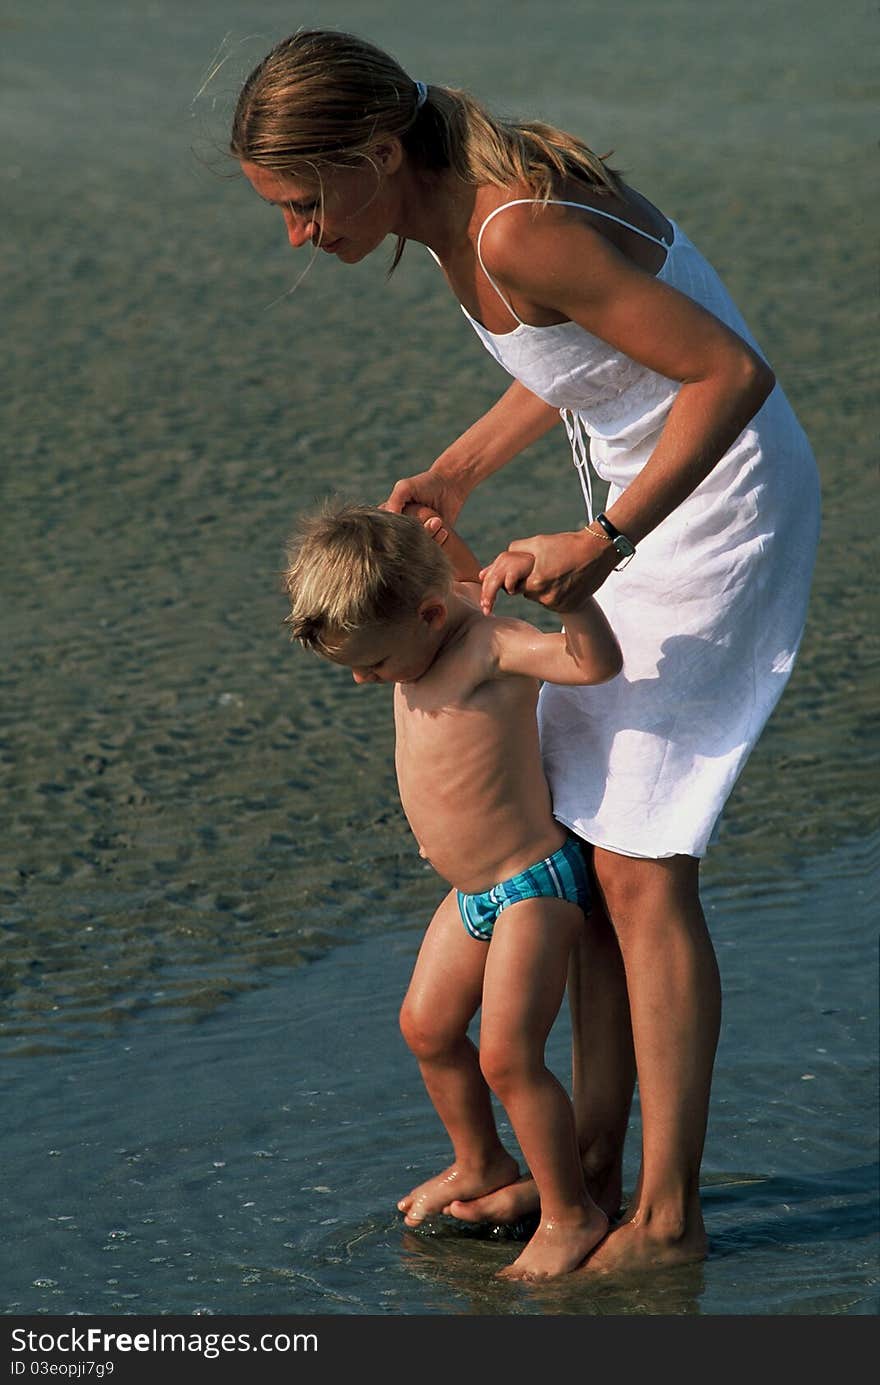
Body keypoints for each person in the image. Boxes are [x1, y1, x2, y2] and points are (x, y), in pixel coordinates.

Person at [231, 29, 821, 1274]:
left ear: (379, 154)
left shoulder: (510, 227)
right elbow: (589, 365)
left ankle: (667, 1217)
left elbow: (729, 372)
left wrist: (602, 536)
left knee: (644, 866)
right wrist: (457, 469)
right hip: (644, 504)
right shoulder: (463, 221)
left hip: (713, 516)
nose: (293, 235)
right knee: (594, 854)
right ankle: (588, 1181)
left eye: (299, 203)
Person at [282, 500, 622, 1280]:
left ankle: (573, 1214)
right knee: (427, 1028)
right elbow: (467, 583)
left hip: (532, 885)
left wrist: (576, 602)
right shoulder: (439, 618)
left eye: (372, 663)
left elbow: (591, 665)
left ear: (429, 614)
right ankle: (482, 1161)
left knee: (508, 1055)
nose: (366, 679)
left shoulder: (490, 647)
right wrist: (442, 535)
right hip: (471, 893)